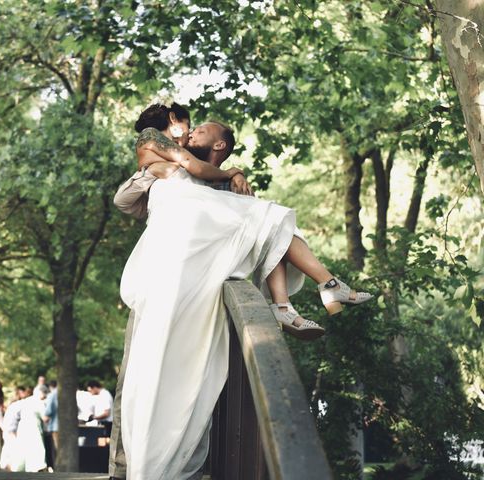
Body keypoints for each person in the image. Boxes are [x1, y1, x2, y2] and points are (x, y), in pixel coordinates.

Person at [111, 104, 373, 479]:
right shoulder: (154, 143)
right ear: (171, 123)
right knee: (151, 363)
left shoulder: (210, 178)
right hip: (173, 247)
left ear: (219, 143)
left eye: (199, 129)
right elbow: (129, 199)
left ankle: (297, 300)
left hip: (197, 246)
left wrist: (229, 177)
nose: (191, 131)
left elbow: (203, 174)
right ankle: (318, 291)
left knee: (269, 221)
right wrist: (216, 171)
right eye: (188, 125)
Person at [14, 384, 48, 472]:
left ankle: (20, 471)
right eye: (45, 395)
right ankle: (35, 471)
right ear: (41, 393)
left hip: (22, 428)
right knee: (37, 450)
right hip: (34, 428)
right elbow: (45, 418)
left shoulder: (26, 400)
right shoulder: (39, 402)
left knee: (23, 450)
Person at [42, 380, 58, 471]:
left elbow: (47, 413)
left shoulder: (52, 395)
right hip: (67, 428)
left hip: (55, 426)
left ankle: (57, 468)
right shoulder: (67, 394)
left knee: (56, 449)